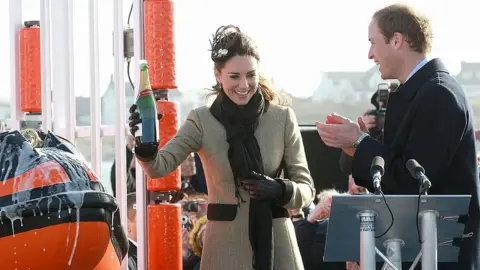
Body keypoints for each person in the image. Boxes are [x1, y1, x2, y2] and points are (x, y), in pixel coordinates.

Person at [129, 25, 315, 270]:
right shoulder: (202, 120)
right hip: (224, 252)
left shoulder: (282, 118)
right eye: (234, 76)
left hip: (278, 248)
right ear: (218, 75)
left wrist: (279, 189)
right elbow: (158, 167)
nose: (244, 84)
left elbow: (307, 190)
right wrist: (144, 143)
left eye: (251, 75)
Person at [315, 4, 479, 269]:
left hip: (439, 259)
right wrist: (359, 145)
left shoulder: (438, 95)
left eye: (373, 43)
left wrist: (360, 142)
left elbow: (411, 182)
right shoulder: (426, 91)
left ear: (397, 40)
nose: (370, 54)